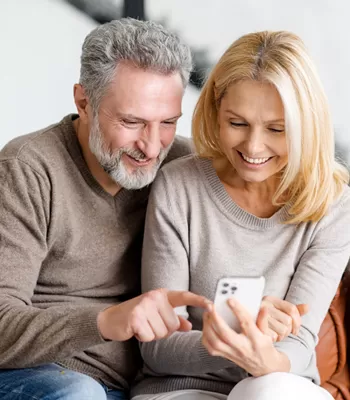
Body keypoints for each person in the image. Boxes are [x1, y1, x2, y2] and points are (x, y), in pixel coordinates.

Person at [0, 19, 306, 399]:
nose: (150, 147)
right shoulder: (28, 168)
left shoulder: (184, 167)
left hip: (143, 386)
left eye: (168, 123)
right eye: (131, 122)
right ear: (83, 101)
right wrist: (105, 321)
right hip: (43, 374)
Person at [131, 31, 350, 400]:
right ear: (216, 110)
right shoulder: (179, 186)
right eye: (237, 123)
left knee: (266, 391)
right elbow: (158, 344)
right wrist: (223, 341)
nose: (253, 147)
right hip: (181, 390)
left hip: (280, 383)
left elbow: (299, 344)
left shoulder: (333, 205)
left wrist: (265, 357)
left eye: (277, 130)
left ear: (306, 126)